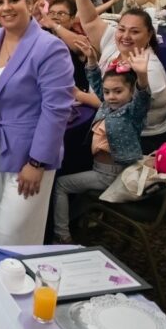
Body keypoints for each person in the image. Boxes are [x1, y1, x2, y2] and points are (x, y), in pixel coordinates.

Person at [0, 0, 74, 245]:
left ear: (29, 3)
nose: (6, 7)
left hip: (30, 154)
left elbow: (56, 110)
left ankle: (21, 274)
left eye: (14, 0)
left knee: (13, 235)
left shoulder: (50, 48)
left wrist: (37, 162)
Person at [53, 45, 150, 243]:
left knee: (60, 184)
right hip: (102, 168)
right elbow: (97, 83)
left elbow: (143, 98)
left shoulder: (132, 113)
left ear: (131, 91)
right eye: (107, 92)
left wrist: (142, 76)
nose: (111, 96)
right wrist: (91, 60)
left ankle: (61, 236)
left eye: (118, 91)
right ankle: (77, 220)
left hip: (110, 174)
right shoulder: (107, 105)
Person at [72, 0, 166, 150]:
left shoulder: (149, 70)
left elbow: (111, 102)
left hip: (139, 141)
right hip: (111, 126)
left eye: (135, 32)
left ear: (149, 35)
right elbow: (90, 20)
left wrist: (76, 93)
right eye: (121, 29)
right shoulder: (116, 43)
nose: (125, 36)